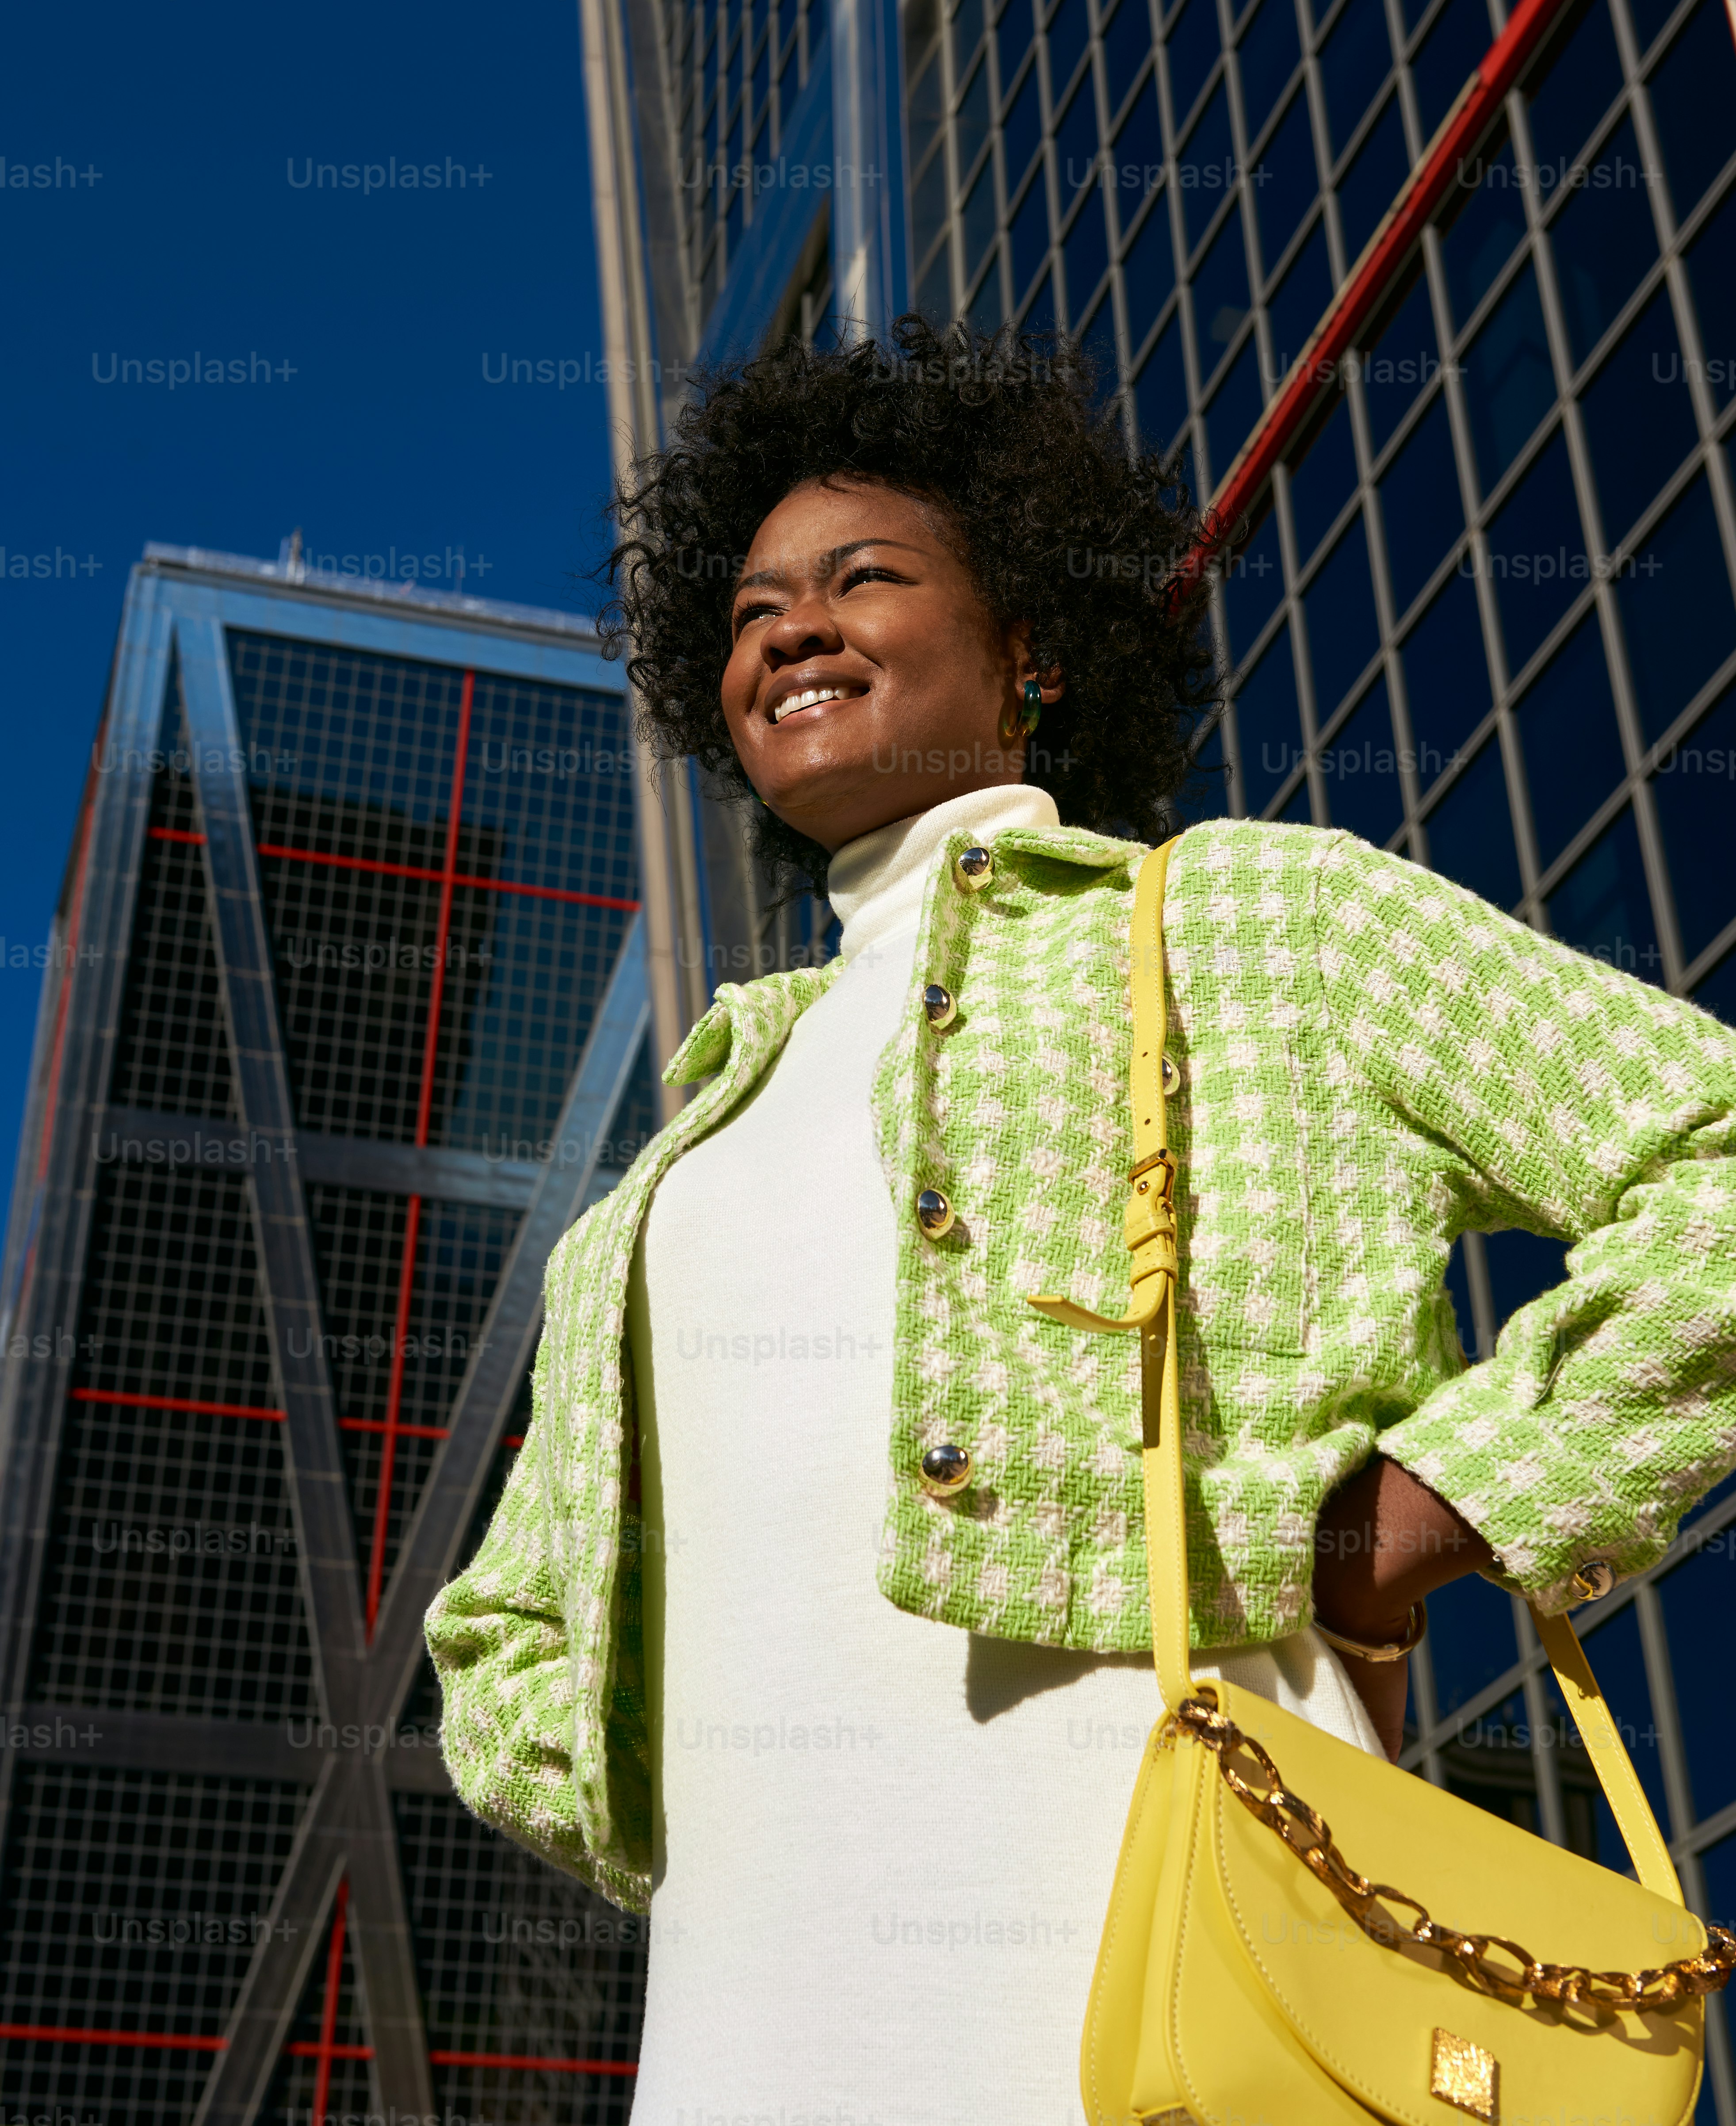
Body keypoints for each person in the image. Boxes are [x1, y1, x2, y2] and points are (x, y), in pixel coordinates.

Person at [426, 316, 1736, 2122]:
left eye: (861, 579)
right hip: (736, 2049)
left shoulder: (1256, 924)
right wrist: (646, 1775)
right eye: (746, 612)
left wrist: (1424, 1511)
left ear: (1025, 647)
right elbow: (500, 1628)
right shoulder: (672, 1163)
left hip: (1195, 2000)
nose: (789, 626)